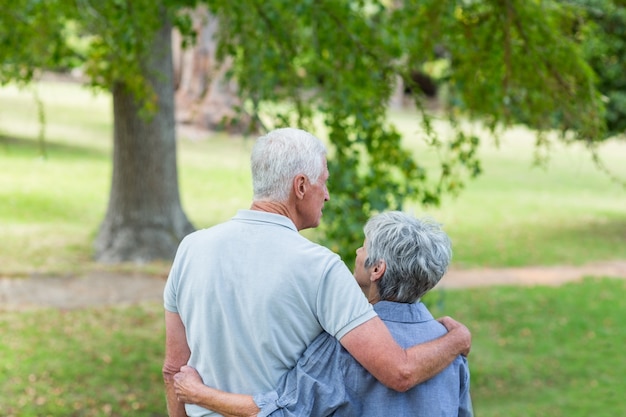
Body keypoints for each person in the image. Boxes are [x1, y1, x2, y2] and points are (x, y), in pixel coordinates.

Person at [162, 128, 471, 417]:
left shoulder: (191, 248)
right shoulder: (320, 268)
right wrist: (457, 340)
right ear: (300, 186)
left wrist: (199, 396)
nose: (326, 194)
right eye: (323, 182)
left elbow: (174, 369)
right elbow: (400, 371)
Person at [173, 211, 473, 417]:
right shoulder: (448, 347)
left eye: (364, 247)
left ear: (377, 268)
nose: (357, 251)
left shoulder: (343, 346)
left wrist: (198, 393)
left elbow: (280, 411)